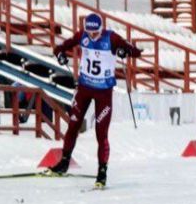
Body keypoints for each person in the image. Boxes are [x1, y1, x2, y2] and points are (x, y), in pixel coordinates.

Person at [46, 13, 142, 188]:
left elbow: (135, 52)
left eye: (95, 33)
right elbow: (59, 48)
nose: (92, 36)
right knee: (73, 125)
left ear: (101, 29)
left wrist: (124, 51)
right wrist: (60, 55)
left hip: (103, 93)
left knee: (101, 133)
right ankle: (64, 163)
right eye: (89, 32)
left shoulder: (111, 38)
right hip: (84, 89)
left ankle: (102, 172)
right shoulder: (82, 36)